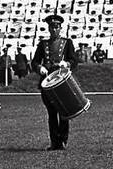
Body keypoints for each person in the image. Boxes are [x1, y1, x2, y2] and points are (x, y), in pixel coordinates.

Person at [31, 13, 80, 149]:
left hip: (61, 81)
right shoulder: (43, 44)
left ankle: (63, 140)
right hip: (47, 80)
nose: (54, 29)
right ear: (49, 28)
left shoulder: (67, 42)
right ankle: (54, 142)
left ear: (60, 28)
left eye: (56, 27)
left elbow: (74, 60)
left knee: (64, 112)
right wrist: (39, 67)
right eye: (52, 27)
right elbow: (35, 61)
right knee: (51, 113)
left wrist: (67, 63)